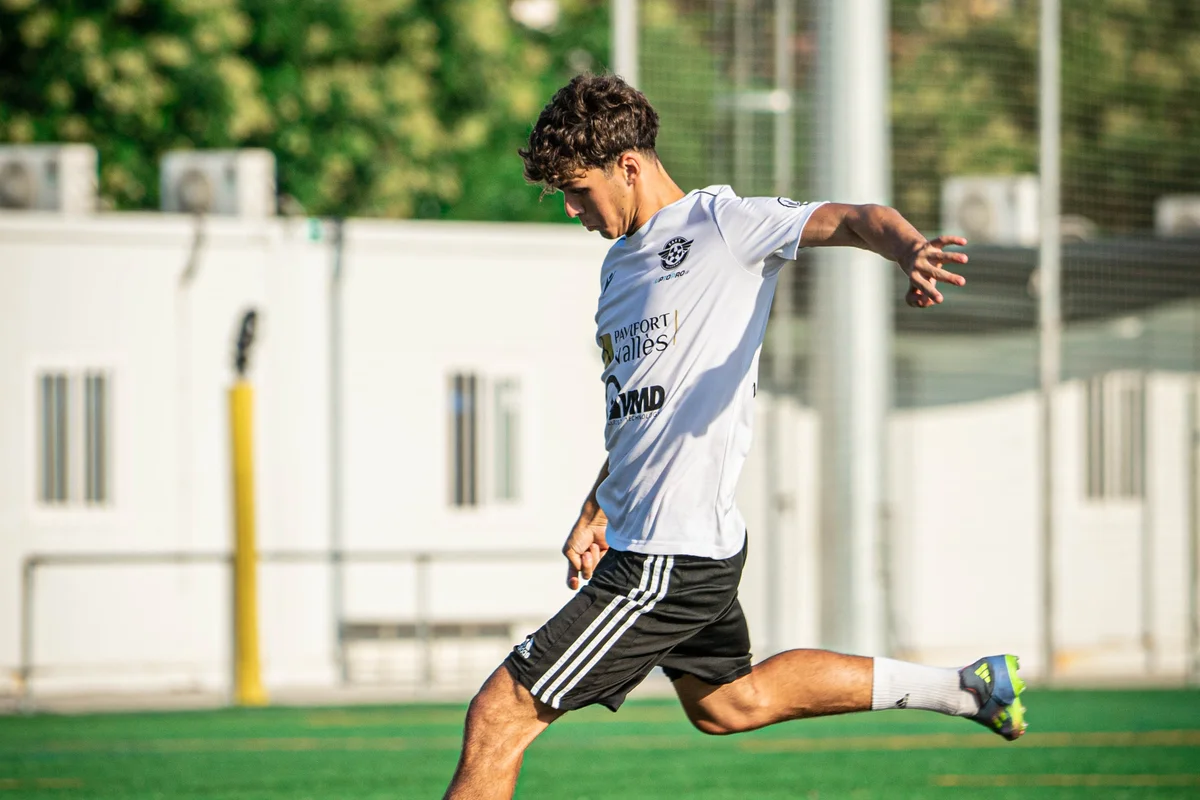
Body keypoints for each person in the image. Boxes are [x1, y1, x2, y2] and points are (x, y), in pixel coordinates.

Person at [442, 73, 1027, 800]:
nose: (571, 210)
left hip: (669, 555)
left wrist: (909, 249)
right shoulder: (619, 267)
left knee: (501, 714)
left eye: (578, 190)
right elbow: (641, 412)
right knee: (729, 703)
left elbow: (855, 217)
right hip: (671, 542)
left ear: (629, 167)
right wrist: (597, 509)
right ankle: (969, 690)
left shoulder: (723, 225)